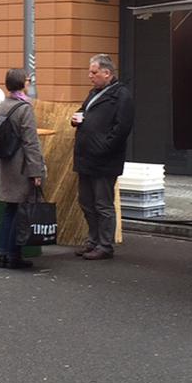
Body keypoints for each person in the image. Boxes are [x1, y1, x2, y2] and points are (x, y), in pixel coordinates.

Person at [71, 54, 134, 260]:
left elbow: (122, 128)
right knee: (86, 201)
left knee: (102, 204)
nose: (90, 76)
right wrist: (77, 118)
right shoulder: (94, 93)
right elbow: (84, 111)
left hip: (104, 159)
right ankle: (93, 241)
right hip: (86, 157)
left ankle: (105, 245)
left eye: (94, 72)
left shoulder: (121, 95)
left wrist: (104, 147)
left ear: (107, 73)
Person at [0, 68, 45, 271]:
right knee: (20, 210)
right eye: (28, 80)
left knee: (10, 209)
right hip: (22, 166)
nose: (29, 83)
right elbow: (31, 142)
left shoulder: (2, 105)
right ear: (23, 84)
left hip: (7, 163)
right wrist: (36, 171)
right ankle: (14, 255)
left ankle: (2, 253)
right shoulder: (24, 109)